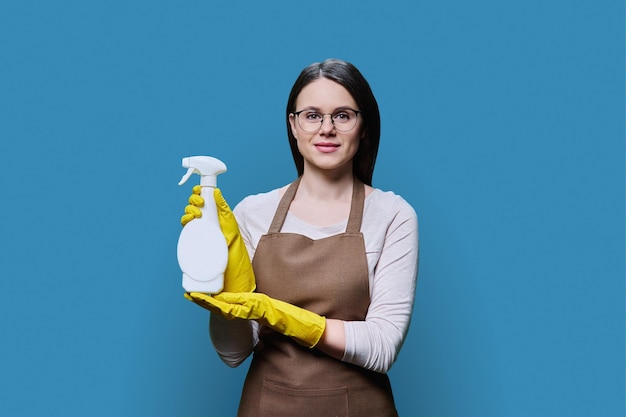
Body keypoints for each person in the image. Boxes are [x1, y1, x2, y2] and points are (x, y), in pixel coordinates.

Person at [182, 58, 419, 417]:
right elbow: (233, 354)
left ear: (364, 126)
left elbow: (382, 347)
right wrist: (220, 286)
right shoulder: (251, 213)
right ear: (293, 125)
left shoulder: (392, 215)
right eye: (312, 115)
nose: (326, 128)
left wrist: (276, 312)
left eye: (343, 115)